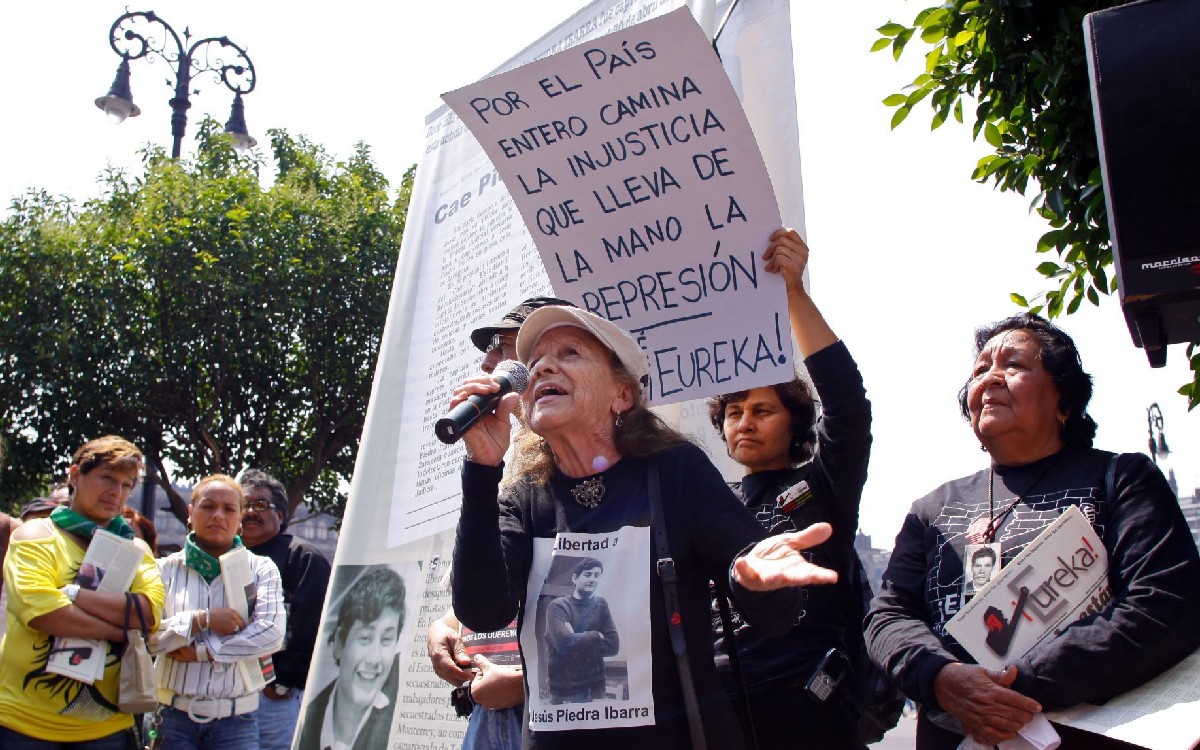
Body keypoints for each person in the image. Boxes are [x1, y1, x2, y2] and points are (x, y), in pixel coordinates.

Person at [450, 303, 839, 750]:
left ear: (622, 395)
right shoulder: (524, 496)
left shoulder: (675, 472)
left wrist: (750, 580)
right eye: (534, 362)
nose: (542, 368)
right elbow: (482, 611)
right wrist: (482, 468)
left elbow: (779, 615)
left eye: (570, 353)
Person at [864, 313, 1200, 749]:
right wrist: (943, 679)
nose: (991, 378)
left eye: (1014, 365)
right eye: (981, 370)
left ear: (1064, 402)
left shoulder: (1122, 479)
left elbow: (1164, 604)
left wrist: (1015, 684)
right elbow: (888, 616)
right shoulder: (932, 510)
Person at [706, 229, 872, 749]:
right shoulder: (709, 504)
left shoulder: (820, 486)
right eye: (734, 413)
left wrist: (794, 293)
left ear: (795, 424)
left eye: (762, 411)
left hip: (807, 709)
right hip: (720, 713)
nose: (745, 423)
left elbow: (848, 404)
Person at [428, 296, 572, 750]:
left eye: (504, 346)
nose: (489, 361)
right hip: (491, 717)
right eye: (489, 348)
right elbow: (509, 583)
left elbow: (600, 598)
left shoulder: (582, 463)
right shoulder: (505, 459)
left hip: (566, 716)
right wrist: (448, 624)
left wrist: (526, 682)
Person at [0, 435, 165, 748]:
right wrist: (119, 629)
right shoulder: (35, 535)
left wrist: (73, 596)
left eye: (127, 484)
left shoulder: (137, 549)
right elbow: (44, 613)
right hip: (25, 725)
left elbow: (149, 613)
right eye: (107, 478)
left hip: (108, 728)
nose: (116, 492)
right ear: (75, 475)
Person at [151, 474, 285, 750]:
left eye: (229, 509)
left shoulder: (261, 569)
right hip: (173, 717)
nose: (218, 516)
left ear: (239, 521)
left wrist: (203, 650)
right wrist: (203, 619)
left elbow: (271, 634)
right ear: (191, 512)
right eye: (208, 506)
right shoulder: (162, 570)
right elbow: (148, 637)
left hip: (237, 720)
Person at [239, 469, 331, 750]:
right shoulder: (226, 558)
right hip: (228, 694)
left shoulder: (301, 557)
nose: (250, 512)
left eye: (261, 505)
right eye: (244, 505)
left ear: (280, 515)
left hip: (275, 697)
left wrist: (280, 684)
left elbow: (310, 630)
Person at [296, 566, 406, 750]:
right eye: (365, 638)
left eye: (386, 640)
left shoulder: (398, 719)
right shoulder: (311, 717)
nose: (374, 659)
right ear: (340, 642)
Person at [544, 557, 618, 704]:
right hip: (566, 691)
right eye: (588, 574)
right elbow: (564, 645)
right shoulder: (558, 607)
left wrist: (574, 638)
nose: (592, 579)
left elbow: (613, 646)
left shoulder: (601, 604)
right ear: (575, 578)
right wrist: (596, 635)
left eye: (597, 575)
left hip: (596, 688)